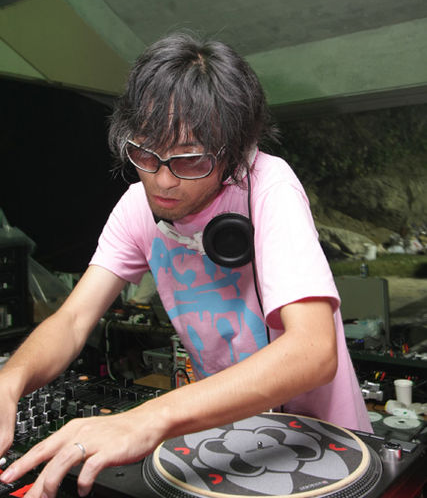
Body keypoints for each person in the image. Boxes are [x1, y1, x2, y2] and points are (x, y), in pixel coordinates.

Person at [0, 33, 371, 498]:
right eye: (145, 154)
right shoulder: (137, 207)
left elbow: (313, 351)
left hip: (327, 449)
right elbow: (73, 320)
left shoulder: (270, 187)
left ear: (233, 150)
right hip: (228, 442)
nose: (163, 180)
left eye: (190, 160)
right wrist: (10, 380)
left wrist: (148, 419)